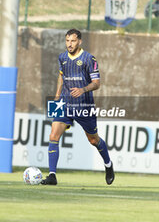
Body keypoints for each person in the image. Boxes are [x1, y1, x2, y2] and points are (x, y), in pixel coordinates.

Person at [41, 29, 114, 186]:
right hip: (64, 103)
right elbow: (61, 76)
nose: (69, 44)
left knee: (93, 140)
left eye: (73, 41)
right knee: (53, 136)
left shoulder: (89, 59)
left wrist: (83, 89)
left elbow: (97, 83)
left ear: (80, 41)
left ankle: (108, 165)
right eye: (67, 41)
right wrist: (57, 95)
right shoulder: (62, 57)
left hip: (84, 105)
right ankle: (52, 175)